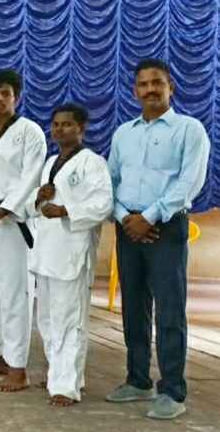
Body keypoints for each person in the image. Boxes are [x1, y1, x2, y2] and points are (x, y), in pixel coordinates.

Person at [105, 59, 209, 420]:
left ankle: (172, 391)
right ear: (135, 91)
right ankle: (137, 380)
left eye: (157, 83)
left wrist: (148, 217)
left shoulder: (189, 129)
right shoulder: (124, 133)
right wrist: (125, 217)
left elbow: (190, 182)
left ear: (171, 88)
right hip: (127, 227)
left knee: (169, 310)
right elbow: (111, 181)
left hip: (166, 228)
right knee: (134, 307)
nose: (150, 89)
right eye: (143, 84)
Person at [24, 104, 112, 407]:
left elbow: (103, 204)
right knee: (47, 319)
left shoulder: (93, 163)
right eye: (56, 124)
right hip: (46, 250)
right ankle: (58, 374)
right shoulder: (51, 162)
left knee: (70, 320)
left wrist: (65, 210)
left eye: (67, 124)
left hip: (72, 251)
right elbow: (37, 205)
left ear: (81, 129)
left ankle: (66, 386)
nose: (60, 129)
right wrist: (40, 197)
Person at [0, 70, 46, 392]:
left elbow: (31, 178)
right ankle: (4, 355)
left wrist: (1, 211)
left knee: (16, 294)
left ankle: (19, 368)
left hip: (13, 221)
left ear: (16, 96)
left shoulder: (30, 132)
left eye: (5, 93)